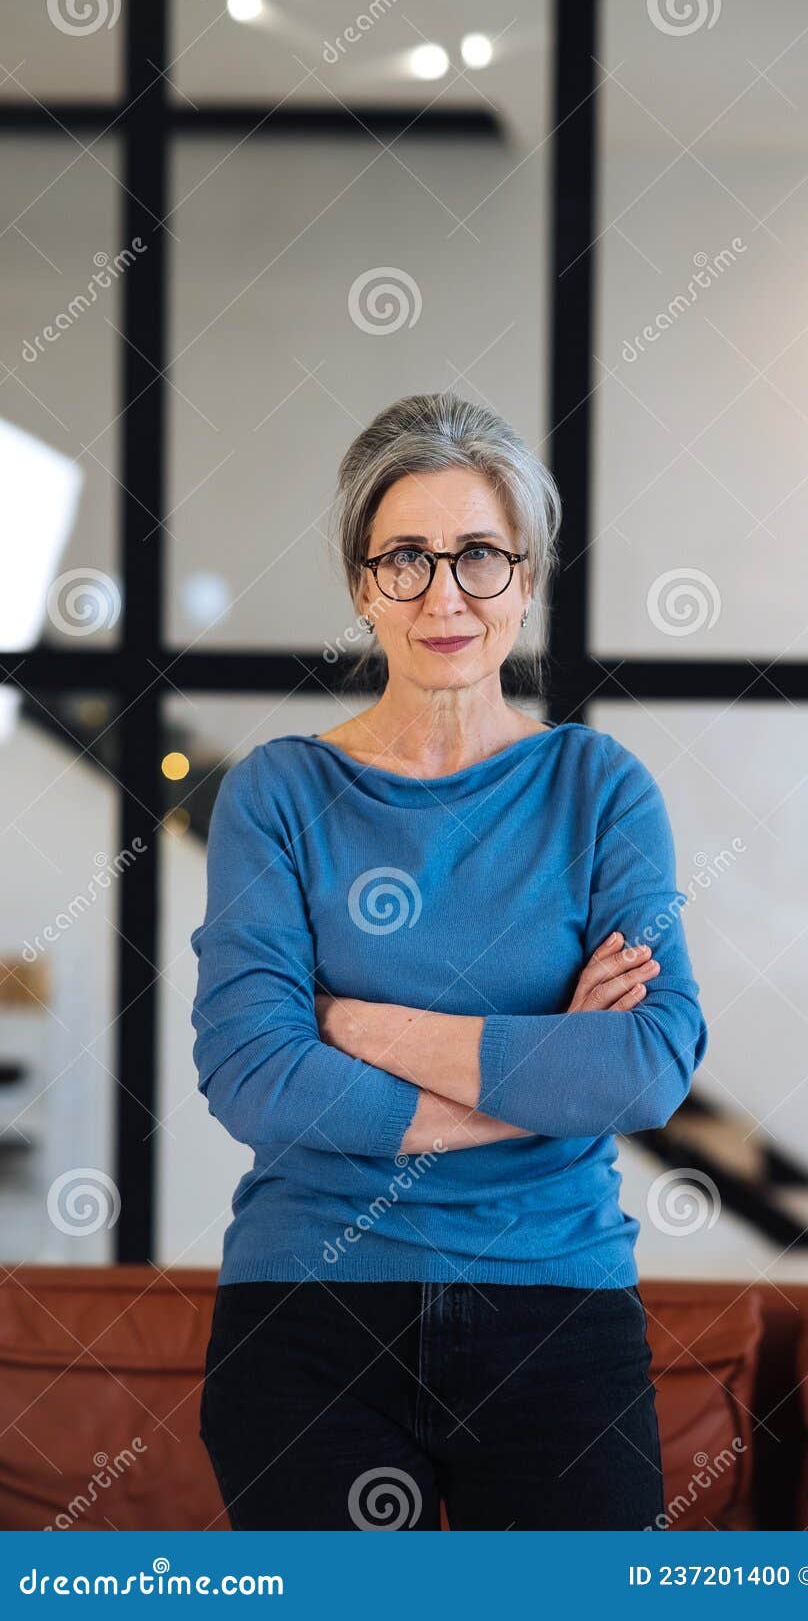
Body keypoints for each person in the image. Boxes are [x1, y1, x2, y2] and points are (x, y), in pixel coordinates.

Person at [191, 391, 709, 1530]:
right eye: (406, 559)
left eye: (479, 555)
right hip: (308, 1312)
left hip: (556, 1311)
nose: (444, 595)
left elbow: (647, 1062)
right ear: (360, 585)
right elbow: (249, 1074)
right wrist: (543, 1068)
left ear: (526, 577)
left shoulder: (598, 787)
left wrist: (358, 1024)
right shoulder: (279, 793)